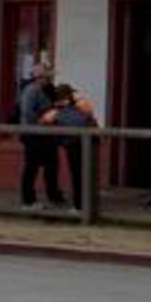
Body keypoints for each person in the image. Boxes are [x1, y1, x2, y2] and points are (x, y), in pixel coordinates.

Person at [39, 83, 96, 211]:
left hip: (72, 144)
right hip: (89, 143)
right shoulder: (83, 104)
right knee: (87, 174)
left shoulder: (55, 112)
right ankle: (89, 205)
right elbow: (91, 115)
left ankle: (79, 206)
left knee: (76, 175)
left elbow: (43, 121)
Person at [14, 55, 61, 207]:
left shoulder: (48, 90)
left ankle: (53, 195)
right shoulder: (31, 91)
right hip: (33, 135)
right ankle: (28, 200)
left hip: (47, 135)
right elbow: (28, 113)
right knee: (31, 167)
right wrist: (45, 119)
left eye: (49, 76)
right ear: (39, 77)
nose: (49, 79)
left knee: (52, 166)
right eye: (46, 76)